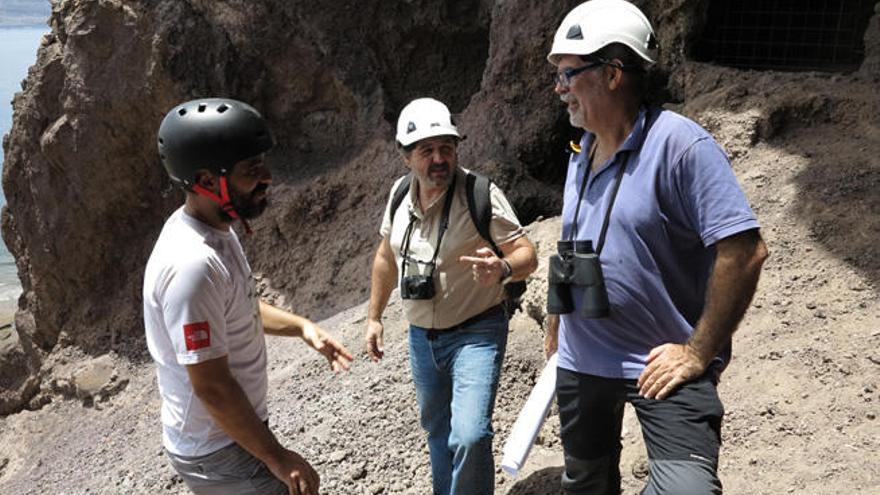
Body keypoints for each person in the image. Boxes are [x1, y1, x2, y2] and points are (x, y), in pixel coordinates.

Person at [544, 1, 769, 493]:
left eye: (567, 73)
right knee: (586, 481)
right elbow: (574, 237)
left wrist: (698, 351)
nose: (559, 89)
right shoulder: (582, 151)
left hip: (660, 365)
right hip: (582, 363)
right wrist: (556, 315)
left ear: (612, 74)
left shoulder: (681, 145)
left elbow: (746, 250)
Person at [144, 97, 353, 495]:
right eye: (250, 170)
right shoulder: (192, 264)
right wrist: (276, 456)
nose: (267, 177)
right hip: (218, 447)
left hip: (229, 434)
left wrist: (301, 327)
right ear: (207, 181)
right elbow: (211, 386)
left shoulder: (216, 230)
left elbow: (233, 307)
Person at [364, 97, 538, 494]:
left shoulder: (479, 192)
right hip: (421, 338)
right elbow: (385, 259)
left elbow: (526, 252)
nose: (439, 158)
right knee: (438, 431)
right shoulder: (398, 195)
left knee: (471, 435)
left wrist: (503, 268)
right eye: (427, 151)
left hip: (476, 331)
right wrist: (374, 317)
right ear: (405, 156)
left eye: (447, 147)